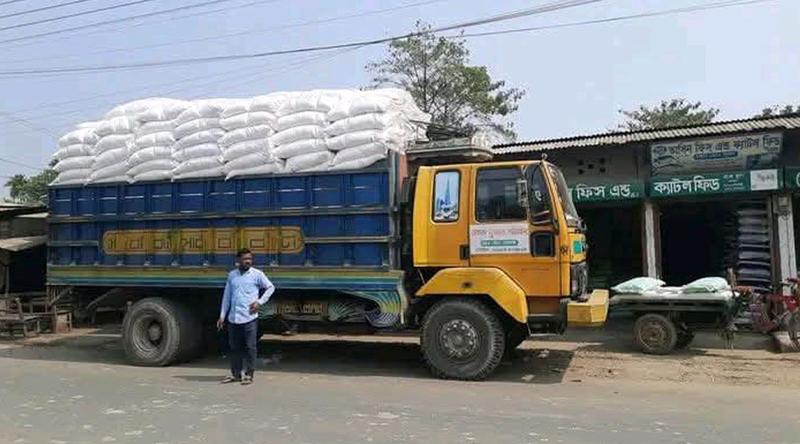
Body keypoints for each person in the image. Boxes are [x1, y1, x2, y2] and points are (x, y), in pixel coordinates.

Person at [217, 248, 275, 385]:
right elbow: (227, 296)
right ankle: (236, 374)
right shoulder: (232, 276)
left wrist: (259, 302)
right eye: (245, 259)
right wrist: (222, 315)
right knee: (234, 347)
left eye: (250, 258)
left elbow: (270, 287)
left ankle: (249, 374)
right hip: (233, 318)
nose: (248, 261)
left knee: (250, 347)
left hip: (249, 318)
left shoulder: (257, 274)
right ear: (238, 261)